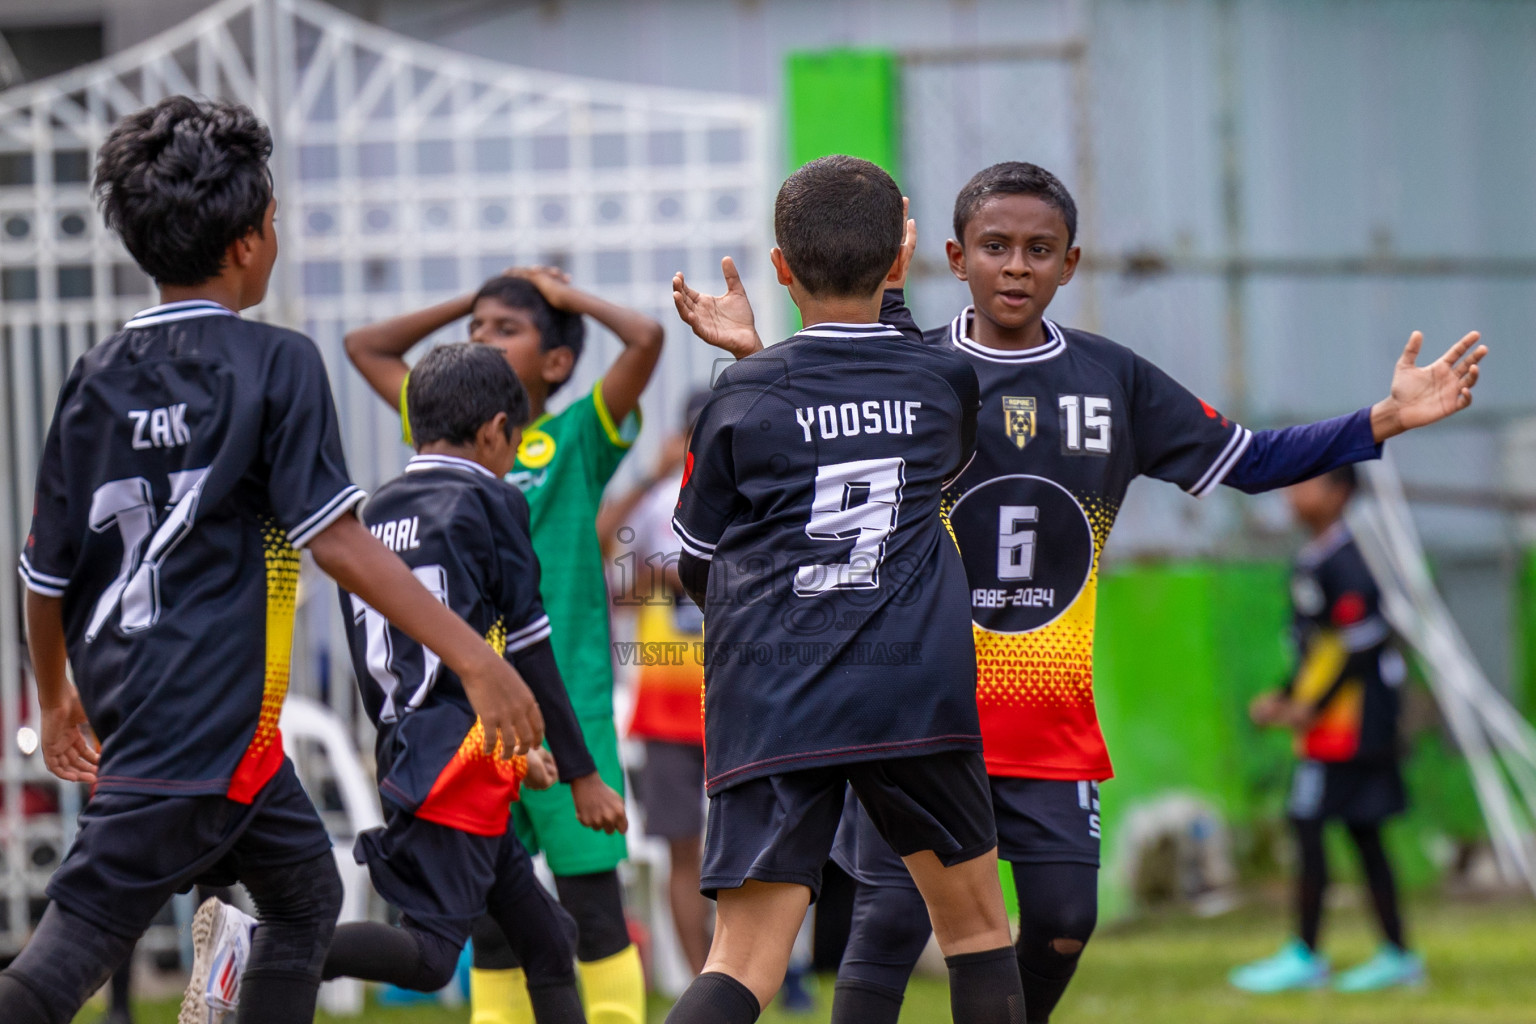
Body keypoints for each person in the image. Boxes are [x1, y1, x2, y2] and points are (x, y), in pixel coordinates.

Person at [673, 160, 1484, 1024]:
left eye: (1038, 249)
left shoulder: (1110, 380)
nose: (1017, 266)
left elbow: (1249, 458)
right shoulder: (929, 372)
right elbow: (829, 409)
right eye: (996, 247)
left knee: (1060, 923)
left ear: (1072, 263)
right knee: (895, 923)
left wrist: (1381, 421)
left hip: (1028, 706)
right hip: (920, 700)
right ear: (953, 257)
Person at [4, 96, 542, 1024]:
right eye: (277, 222)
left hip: (196, 728)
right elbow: (335, 538)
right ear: (250, 242)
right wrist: (477, 656)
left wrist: (55, 698)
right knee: (59, 968)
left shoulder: (94, 376)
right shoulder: (276, 363)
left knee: (304, 900)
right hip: (194, 727)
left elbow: (44, 575)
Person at [663, 154, 1025, 1024]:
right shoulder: (946, 379)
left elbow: (694, 558)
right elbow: (896, 422)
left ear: (779, 267)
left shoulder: (743, 394)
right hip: (913, 692)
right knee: (976, 930)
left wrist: (751, 356)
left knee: (742, 961)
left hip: (775, 694)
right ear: (901, 262)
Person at [192, 342, 631, 1022]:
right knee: (429, 956)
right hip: (458, 769)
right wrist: (583, 773)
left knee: (550, 940)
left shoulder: (368, 517)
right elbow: (532, 647)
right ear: (493, 431)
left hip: (417, 754)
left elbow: (408, 667)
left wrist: (509, 748)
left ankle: (260, 946)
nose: (510, 459)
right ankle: (255, 946)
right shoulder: (492, 499)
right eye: (511, 444)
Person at [346, 266, 662, 1024]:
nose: (482, 335)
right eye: (476, 329)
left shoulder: (576, 430)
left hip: (565, 698)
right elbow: (364, 346)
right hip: (475, 714)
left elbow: (646, 338)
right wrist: (479, 295)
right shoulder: (454, 433)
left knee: (588, 905)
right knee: (493, 919)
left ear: (555, 363)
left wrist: (558, 294)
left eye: (506, 328)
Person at [1232, 465, 1423, 992]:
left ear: (1339, 494)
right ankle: (1396, 954)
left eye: (1305, 483)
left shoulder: (1352, 561)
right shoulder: (1311, 559)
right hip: (1329, 726)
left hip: (1357, 728)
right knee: (1360, 833)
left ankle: (1308, 954)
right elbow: (1317, 648)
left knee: (1310, 821)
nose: (1292, 493)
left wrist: (1311, 708)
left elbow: (1359, 649)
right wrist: (1287, 695)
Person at [600, 389, 713, 977]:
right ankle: (703, 985)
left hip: (742, 702)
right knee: (681, 851)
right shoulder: (658, 501)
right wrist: (653, 474)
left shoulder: (756, 492)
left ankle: (760, 972)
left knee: (762, 845)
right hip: (669, 710)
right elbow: (599, 544)